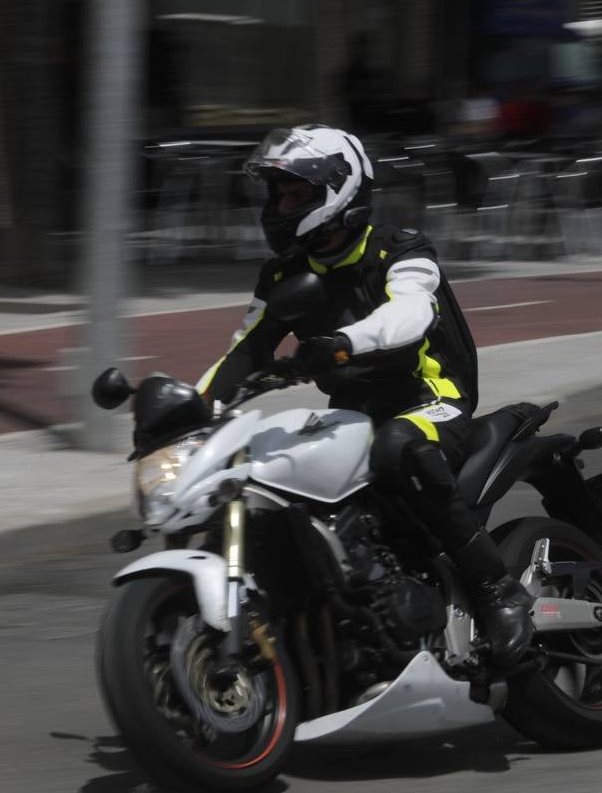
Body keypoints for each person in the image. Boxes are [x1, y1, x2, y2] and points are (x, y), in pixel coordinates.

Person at [196, 124, 534, 667]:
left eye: (295, 193)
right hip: (353, 413)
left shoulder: (400, 249)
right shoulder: (283, 273)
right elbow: (244, 352)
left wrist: (340, 344)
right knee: (274, 472)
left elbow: (409, 314)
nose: (282, 205)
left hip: (429, 398)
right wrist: (190, 410)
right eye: (279, 194)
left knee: (399, 448)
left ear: (339, 187)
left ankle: (499, 592)